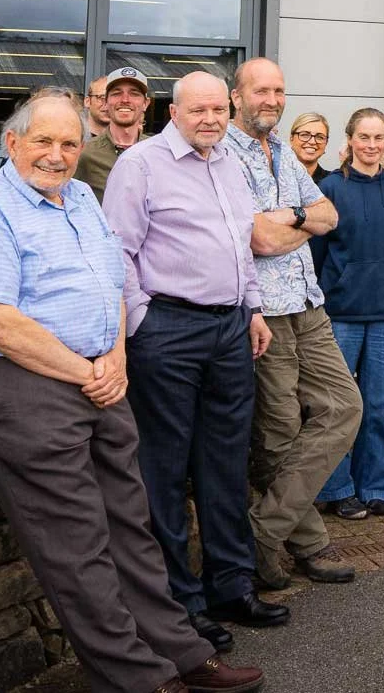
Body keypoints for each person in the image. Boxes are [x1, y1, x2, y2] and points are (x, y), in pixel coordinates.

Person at [0, 94, 265, 693]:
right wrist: (86, 370)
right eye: (43, 142)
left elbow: (113, 279)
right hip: (26, 383)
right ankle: (134, 678)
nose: (58, 156)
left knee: (131, 526)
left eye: (68, 144)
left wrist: (113, 355)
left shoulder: (83, 197)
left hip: (100, 374)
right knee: (76, 543)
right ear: (12, 144)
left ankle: (178, 651)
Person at [103, 72, 285, 648]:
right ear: (173, 111)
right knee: (164, 468)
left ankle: (231, 585)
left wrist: (252, 308)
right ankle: (180, 603)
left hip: (230, 328)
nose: (209, 118)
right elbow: (118, 251)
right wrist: (143, 321)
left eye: (217, 108)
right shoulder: (142, 165)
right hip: (168, 330)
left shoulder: (228, 161)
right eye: (197, 109)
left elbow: (241, 245)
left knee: (226, 461)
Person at [221, 59, 361, 588]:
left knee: (345, 407)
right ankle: (310, 544)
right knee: (279, 431)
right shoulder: (222, 156)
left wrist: (292, 218)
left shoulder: (283, 150)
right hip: (263, 311)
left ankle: (262, 530)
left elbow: (329, 215)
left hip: (308, 301)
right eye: (261, 90)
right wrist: (299, 221)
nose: (272, 100)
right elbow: (257, 241)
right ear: (238, 97)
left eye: (280, 90)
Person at [310, 109, 384, 518]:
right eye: (363, 137)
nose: (371, 145)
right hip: (342, 313)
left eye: (378, 137)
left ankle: (377, 486)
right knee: (338, 407)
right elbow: (316, 256)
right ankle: (338, 487)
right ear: (350, 140)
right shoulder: (330, 188)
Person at [74, 67, 150, 201]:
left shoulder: (158, 152)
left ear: (145, 103)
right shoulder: (85, 153)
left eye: (134, 93)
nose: (125, 99)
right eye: (116, 93)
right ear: (106, 102)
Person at [287, 112, 331, 181]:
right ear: (291, 138)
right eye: (305, 135)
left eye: (320, 137)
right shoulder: (275, 177)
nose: (312, 142)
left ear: (326, 143)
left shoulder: (332, 182)